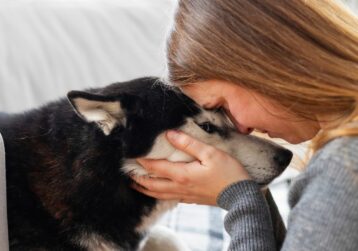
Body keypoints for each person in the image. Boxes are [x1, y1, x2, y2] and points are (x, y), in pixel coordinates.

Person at [131, 0, 358, 250]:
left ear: (261, 66)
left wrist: (238, 197)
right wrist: (250, 190)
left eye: (223, 107)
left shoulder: (342, 167)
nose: (241, 129)